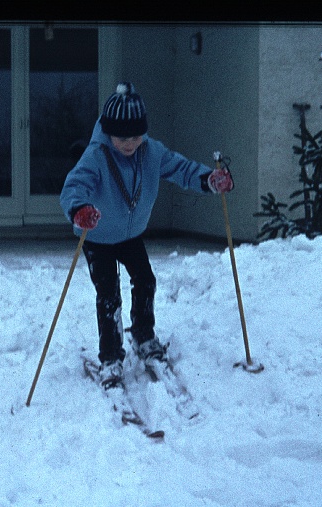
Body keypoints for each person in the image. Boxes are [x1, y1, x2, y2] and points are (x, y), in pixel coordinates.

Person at [60, 82, 234, 389]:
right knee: (109, 294)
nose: (129, 143)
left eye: (135, 136)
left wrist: (209, 179)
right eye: (121, 137)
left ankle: (143, 334)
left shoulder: (152, 152)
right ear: (108, 132)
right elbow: (74, 187)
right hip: (98, 236)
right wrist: (79, 209)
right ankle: (111, 357)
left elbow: (183, 169)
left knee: (146, 279)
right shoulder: (96, 155)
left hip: (130, 235)